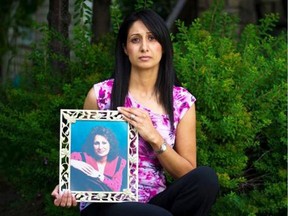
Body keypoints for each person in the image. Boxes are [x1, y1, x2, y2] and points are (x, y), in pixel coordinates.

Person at [52, 9, 219, 216]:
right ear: (125, 48)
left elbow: (186, 174)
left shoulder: (181, 101)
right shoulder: (100, 95)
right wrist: (68, 184)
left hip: (155, 201)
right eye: (135, 40)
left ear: (163, 46)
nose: (144, 47)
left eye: (152, 38)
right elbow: (83, 156)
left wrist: (154, 138)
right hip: (107, 204)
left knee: (206, 178)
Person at [70, 126, 127, 192]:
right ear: (92, 145)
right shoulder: (80, 157)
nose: (100, 147)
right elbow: (63, 160)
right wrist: (73, 162)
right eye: (96, 143)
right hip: (85, 201)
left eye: (104, 143)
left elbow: (116, 189)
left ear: (110, 145)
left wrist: (98, 175)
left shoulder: (119, 162)